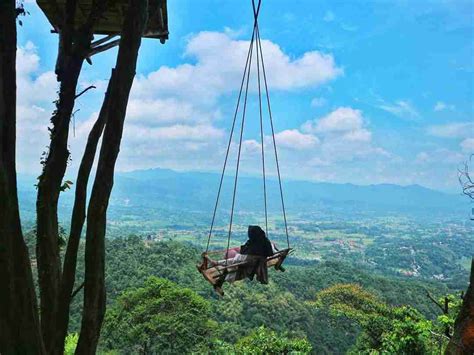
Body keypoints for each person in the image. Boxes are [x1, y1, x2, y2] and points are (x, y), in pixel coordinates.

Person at [212, 225, 275, 294]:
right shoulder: (265, 241)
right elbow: (270, 253)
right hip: (259, 261)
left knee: (232, 264)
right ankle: (220, 279)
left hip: (249, 265)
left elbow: (236, 259)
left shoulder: (251, 249)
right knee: (235, 263)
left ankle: (218, 273)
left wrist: (218, 262)